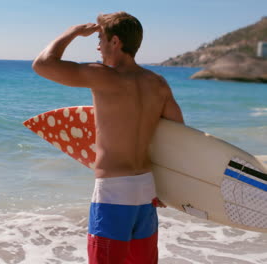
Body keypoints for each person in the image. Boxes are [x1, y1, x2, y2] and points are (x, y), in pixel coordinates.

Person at [32, 11, 184, 264]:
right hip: (146, 190)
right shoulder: (158, 83)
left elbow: (42, 64)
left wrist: (72, 32)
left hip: (114, 193)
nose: (97, 45)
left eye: (100, 37)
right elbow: (177, 136)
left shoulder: (102, 75)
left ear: (116, 42)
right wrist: (169, 190)